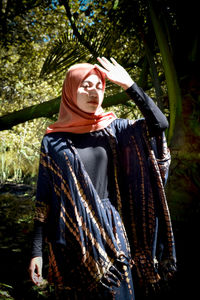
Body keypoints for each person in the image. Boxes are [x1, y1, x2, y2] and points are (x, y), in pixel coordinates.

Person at [29, 57, 176, 299]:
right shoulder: (53, 141)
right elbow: (43, 199)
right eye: (86, 86)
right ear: (70, 90)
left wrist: (130, 86)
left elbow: (159, 124)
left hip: (112, 232)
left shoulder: (115, 129)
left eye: (99, 86)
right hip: (69, 240)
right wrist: (37, 252)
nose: (93, 92)